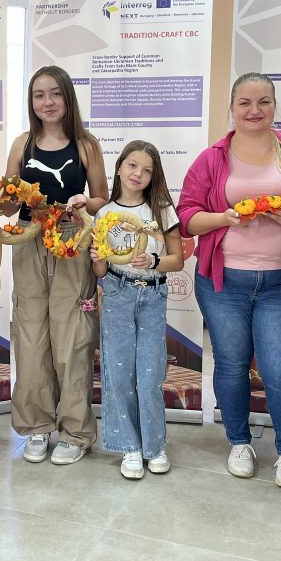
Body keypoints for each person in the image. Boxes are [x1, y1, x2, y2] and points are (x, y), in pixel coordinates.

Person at [177, 72, 281, 487]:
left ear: (274, 106)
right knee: (232, 365)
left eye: (264, 101)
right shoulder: (212, 159)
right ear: (232, 108)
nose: (254, 110)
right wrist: (224, 218)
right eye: (245, 102)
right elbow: (186, 218)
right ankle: (239, 442)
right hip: (224, 284)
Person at [7, 65, 108, 465]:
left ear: (68, 97)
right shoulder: (22, 143)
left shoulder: (86, 145)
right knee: (30, 333)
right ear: (31, 101)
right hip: (29, 238)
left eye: (55, 94)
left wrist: (85, 202)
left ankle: (75, 431)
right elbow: (9, 200)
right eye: (39, 95)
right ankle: (37, 425)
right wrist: (1, 200)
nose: (47, 102)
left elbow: (101, 199)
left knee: (73, 337)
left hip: (72, 239)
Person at [89, 141, 183, 479]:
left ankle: (154, 446)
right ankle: (128, 445)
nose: (138, 174)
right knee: (118, 372)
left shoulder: (162, 211)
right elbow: (100, 271)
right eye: (132, 165)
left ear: (153, 176)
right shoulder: (104, 215)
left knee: (150, 373)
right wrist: (98, 259)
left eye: (146, 170)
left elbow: (178, 259)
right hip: (117, 293)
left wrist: (154, 261)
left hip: (152, 295)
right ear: (119, 168)